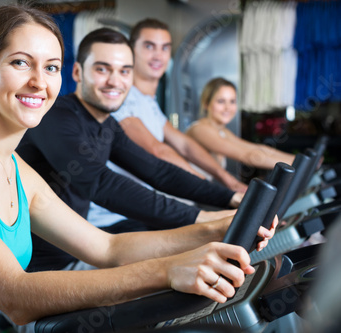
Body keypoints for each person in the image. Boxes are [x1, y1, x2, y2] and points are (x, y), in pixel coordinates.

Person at [0, 5, 275, 332]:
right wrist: (168, 271)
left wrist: (219, 228)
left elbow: (107, 249)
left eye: (49, 67)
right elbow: (15, 296)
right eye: (20, 63)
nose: (39, 82)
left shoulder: (15, 169)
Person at [17, 28, 244, 273]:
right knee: (191, 259)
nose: (115, 81)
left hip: (78, 251)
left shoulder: (108, 125)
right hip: (47, 268)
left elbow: (158, 172)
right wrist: (201, 219)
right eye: (102, 69)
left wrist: (229, 197)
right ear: (77, 72)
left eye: (124, 71)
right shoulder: (54, 117)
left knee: (173, 238)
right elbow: (98, 182)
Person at [111, 18, 247, 192]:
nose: (158, 56)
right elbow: (158, 150)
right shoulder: (123, 99)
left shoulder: (148, 102)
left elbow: (185, 145)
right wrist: (213, 190)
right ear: (131, 50)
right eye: (149, 46)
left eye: (165, 47)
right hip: (117, 212)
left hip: (143, 202)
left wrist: (229, 181)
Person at [186, 77, 296, 170]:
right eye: (221, 101)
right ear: (206, 104)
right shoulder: (200, 129)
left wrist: (297, 160)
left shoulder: (222, 132)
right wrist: (296, 166)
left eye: (232, 101)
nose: (228, 108)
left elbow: (256, 149)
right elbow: (248, 156)